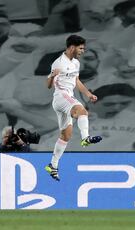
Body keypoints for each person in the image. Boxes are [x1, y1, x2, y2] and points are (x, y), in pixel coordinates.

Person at [44, 35, 102, 181]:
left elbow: (76, 81)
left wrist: (88, 94)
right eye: (81, 48)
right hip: (61, 97)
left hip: (66, 98)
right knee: (82, 111)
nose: (82, 51)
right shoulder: (58, 63)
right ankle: (85, 138)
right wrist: (51, 75)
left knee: (66, 136)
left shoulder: (75, 63)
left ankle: (53, 165)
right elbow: (49, 85)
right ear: (72, 47)